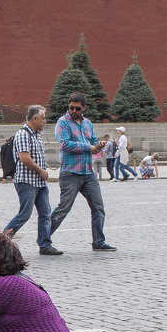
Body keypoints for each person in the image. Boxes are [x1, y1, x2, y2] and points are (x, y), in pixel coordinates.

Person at [49, 94, 116, 252]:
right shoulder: (63, 122)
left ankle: (98, 242)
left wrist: (97, 145)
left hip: (88, 172)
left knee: (98, 207)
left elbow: (92, 141)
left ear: (84, 108)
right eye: (71, 107)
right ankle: (44, 240)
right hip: (70, 173)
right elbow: (65, 144)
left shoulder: (87, 123)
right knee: (63, 209)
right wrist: (89, 147)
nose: (73, 110)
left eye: (77, 108)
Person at [3, 105, 61, 256]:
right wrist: (41, 170)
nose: (45, 121)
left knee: (45, 214)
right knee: (24, 214)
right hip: (26, 182)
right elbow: (24, 158)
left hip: (39, 183)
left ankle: (45, 245)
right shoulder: (23, 134)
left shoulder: (36, 134)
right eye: (43, 118)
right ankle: (2, 243)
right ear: (34, 119)